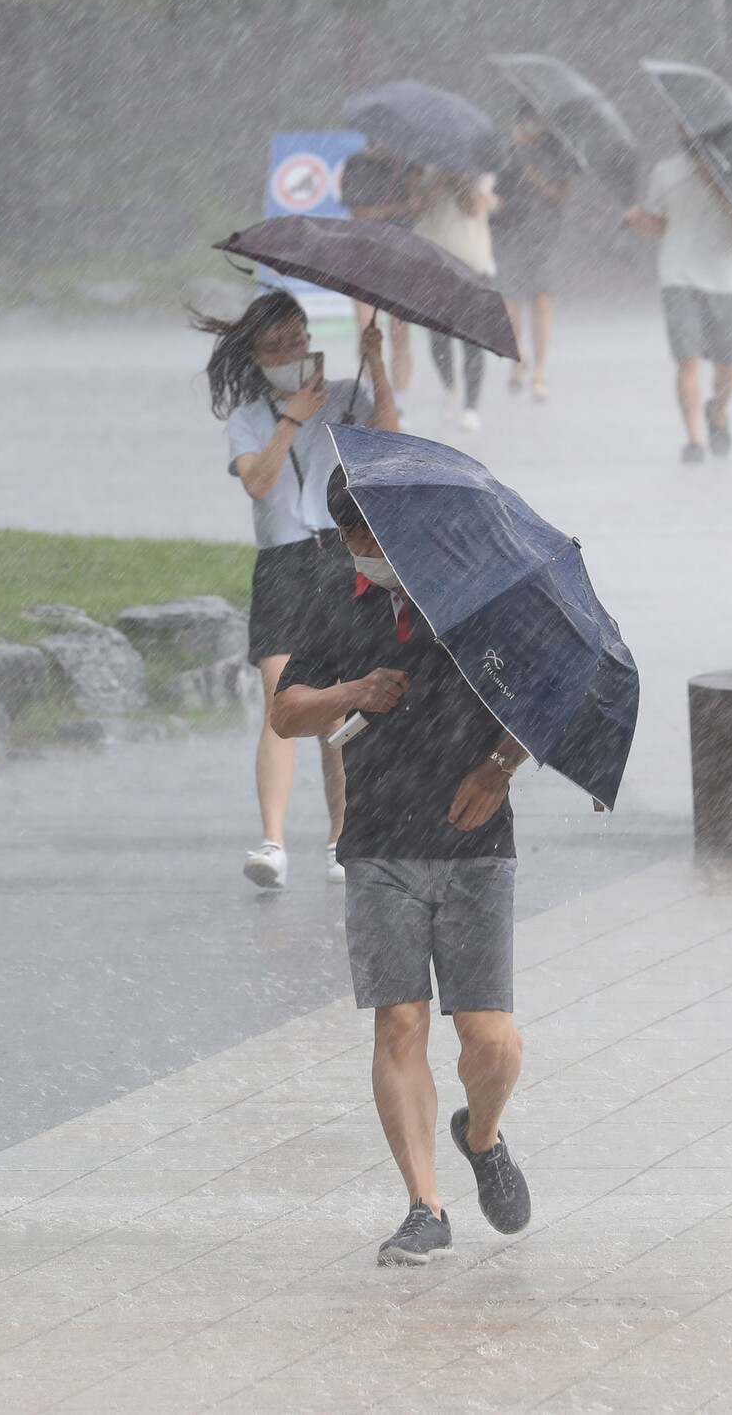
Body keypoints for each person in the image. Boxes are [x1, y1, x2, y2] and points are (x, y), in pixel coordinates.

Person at [270, 464, 531, 1264]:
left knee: (494, 1040)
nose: (362, 553)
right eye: (350, 538)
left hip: (474, 842)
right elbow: (285, 712)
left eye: (372, 537)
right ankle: (425, 1204)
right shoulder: (337, 596)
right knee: (401, 1020)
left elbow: (540, 699)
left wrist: (499, 766)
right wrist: (353, 689)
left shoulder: (479, 593)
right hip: (378, 838)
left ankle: (480, 1136)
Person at [196, 290, 398, 889]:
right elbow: (258, 483)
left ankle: (341, 836)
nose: (290, 354)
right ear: (254, 356)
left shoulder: (347, 395)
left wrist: (377, 363)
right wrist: (292, 419)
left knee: (336, 700)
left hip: (341, 559)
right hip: (283, 564)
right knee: (281, 698)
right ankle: (273, 841)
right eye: (275, 347)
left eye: (297, 340)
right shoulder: (250, 417)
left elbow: (390, 439)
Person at [624, 133, 732, 463]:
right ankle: (694, 440)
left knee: (728, 369)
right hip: (678, 276)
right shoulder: (666, 172)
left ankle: (717, 412)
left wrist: (714, 181)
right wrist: (639, 221)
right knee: (687, 359)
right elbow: (660, 225)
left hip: (722, 278)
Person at [492, 104, 573, 403]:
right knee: (510, 304)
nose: (537, 124)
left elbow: (562, 193)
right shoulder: (504, 147)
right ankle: (519, 358)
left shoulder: (559, 149)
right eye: (532, 118)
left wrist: (536, 178)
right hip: (508, 233)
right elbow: (493, 188)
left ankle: (539, 372)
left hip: (544, 237)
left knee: (542, 302)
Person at [341, 146, 422, 426]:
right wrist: (395, 207)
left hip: (401, 255)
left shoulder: (409, 163)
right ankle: (375, 394)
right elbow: (359, 211)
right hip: (364, 255)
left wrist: (415, 189)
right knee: (368, 333)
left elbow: (420, 204)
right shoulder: (356, 163)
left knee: (400, 333)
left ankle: (399, 401)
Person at [414, 169, 497, 432]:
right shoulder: (422, 170)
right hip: (434, 266)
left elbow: (473, 208)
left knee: (473, 340)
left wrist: (461, 181)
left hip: (472, 267)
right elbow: (420, 206)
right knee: (438, 337)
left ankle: (471, 407)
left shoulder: (479, 173)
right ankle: (449, 385)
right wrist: (439, 180)